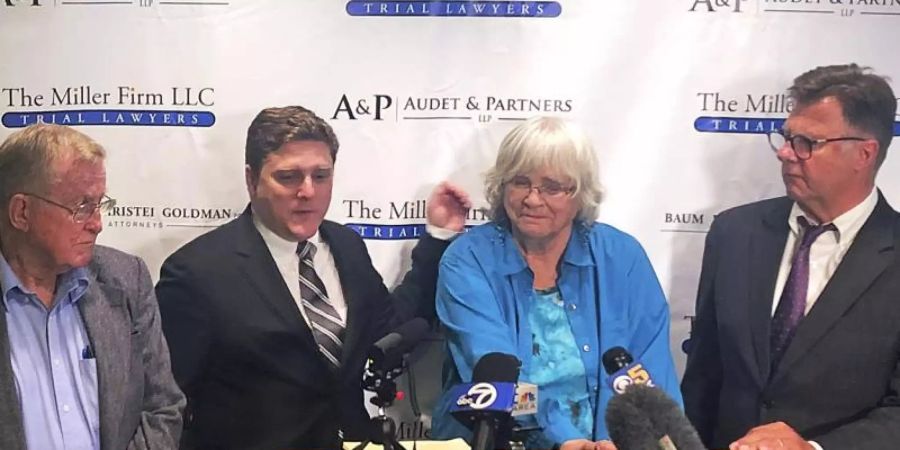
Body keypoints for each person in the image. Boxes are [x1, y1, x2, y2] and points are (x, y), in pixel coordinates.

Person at [156, 105, 471, 449]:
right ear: (251, 179)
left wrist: (438, 238)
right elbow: (166, 405)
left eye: (320, 176)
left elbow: (390, 330)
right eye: (289, 177)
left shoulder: (346, 246)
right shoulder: (197, 273)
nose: (307, 191)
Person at [682, 64, 900, 450]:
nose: (785, 153)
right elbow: (704, 377)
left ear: (864, 154)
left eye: (807, 143)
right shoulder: (734, 234)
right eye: (786, 137)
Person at [431, 116, 682, 450]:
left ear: (580, 194)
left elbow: (650, 372)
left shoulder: (622, 257)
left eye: (552, 187)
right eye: (520, 182)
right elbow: (493, 374)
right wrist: (564, 440)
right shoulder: (468, 260)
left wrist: (618, 441)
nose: (533, 199)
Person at [0, 124, 185, 450]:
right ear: (22, 212)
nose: (97, 223)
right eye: (81, 206)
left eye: (100, 204)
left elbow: (162, 406)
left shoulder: (126, 279)